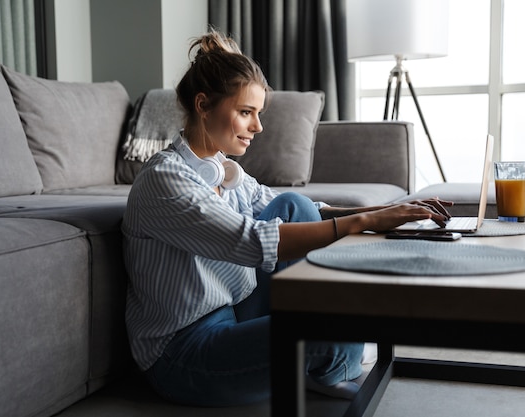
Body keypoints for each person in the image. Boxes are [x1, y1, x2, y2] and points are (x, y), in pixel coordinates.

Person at [121, 28, 452, 407]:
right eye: (246, 113)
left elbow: (308, 213)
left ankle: (324, 352)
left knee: (296, 205)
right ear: (203, 105)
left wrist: (383, 212)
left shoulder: (223, 170)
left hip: (232, 310)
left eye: (258, 114)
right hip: (182, 353)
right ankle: (331, 359)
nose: (258, 127)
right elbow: (250, 241)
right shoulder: (165, 180)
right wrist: (363, 225)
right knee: (334, 327)